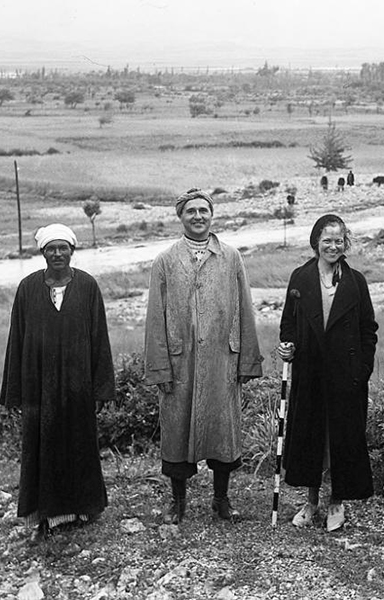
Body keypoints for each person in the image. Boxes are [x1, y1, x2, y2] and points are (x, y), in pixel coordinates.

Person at [144, 188, 263, 524]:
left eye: (203, 211)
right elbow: (155, 316)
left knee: (223, 432)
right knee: (176, 430)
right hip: (180, 362)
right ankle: (177, 502)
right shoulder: (166, 260)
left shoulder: (230, 256)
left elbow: (245, 309)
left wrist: (247, 360)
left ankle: (221, 500)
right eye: (191, 211)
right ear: (180, 217)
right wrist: (160, 367)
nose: (198, 217)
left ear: (212, 215)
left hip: (221, 361)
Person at [0, 223, 114, 541]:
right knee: (42, 447)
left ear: (72, 251)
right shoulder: (27, 288)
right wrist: (15, 394)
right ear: (43, 252)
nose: (58, 253)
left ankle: (82, 509)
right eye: (51, 248)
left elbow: (99, 339)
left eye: (63, 247)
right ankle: (45, 516)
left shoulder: (88, 287)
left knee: (79, 444)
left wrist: (102, 387)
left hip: (79, 388)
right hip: (39, 388)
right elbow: (17, 340)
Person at [277, 215, 378, 532]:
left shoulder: (356, 281)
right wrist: (287, 349)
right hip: (309, 373)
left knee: (342, 439)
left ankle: (337, 501)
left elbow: (368, 331)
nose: (333, 246)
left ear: (345, 244)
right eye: (327, 240)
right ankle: (310, 502)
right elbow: (288, 326)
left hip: (345, 375)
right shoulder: (300, 278)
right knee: (310, 437)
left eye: (338, 241)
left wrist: (361, 370)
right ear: (315, 242)